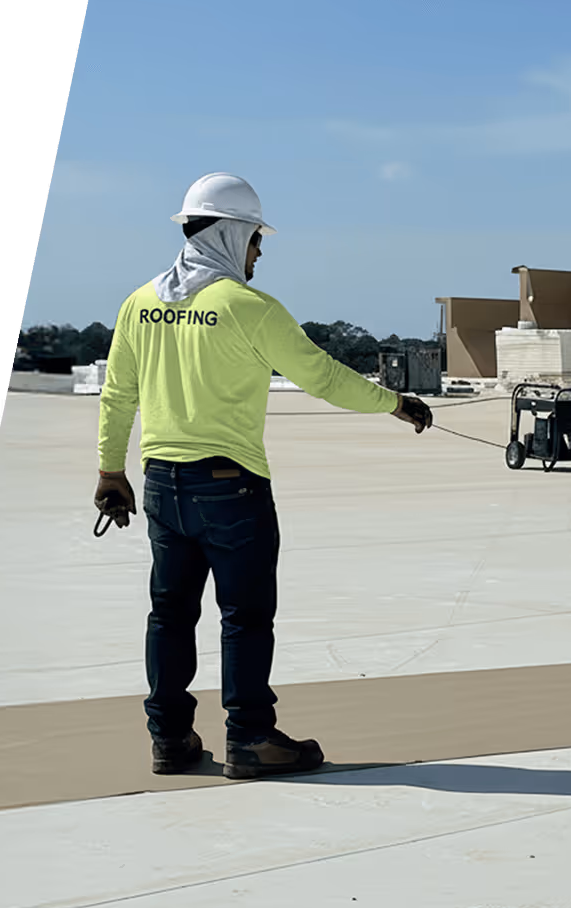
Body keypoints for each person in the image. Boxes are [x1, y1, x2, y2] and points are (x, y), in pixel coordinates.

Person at [95, 174, 432, 780]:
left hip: (161, 486)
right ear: (231, 232)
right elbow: (324, 378)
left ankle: (169, 739)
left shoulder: (137, 303)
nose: (258, 253)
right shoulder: (248, 308)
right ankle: (250, 738)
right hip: (231, 488)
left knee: (169, 615)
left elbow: (118, 393)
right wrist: (394, 403)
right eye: (255, 240)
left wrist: (108, 470)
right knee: (244, 617)